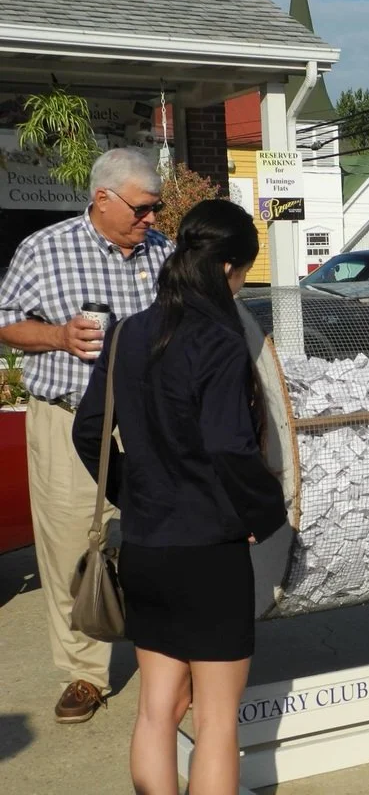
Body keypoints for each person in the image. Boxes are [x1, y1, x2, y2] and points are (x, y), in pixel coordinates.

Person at [72, 199, 287, 795]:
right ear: (226, 269)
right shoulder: (220, 339)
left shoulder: (128, 332)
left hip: (143, 543)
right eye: (242, 272)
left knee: (155, 710)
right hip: (207, 551)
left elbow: (88, 430)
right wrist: (265, 513)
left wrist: (131, 489)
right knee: (216, 721)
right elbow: (229, 446)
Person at [0, 148, 172, 723]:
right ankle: (85, 674)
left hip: (149, 421)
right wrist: (57, 336)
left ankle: (168, 655)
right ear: (103, 198)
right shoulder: (44, 249)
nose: (152, 219)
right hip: (70, 417)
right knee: (74, 545)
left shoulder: (163, 251)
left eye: (157, 207)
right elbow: (5, 321)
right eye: (143, 208)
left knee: (163, 537)